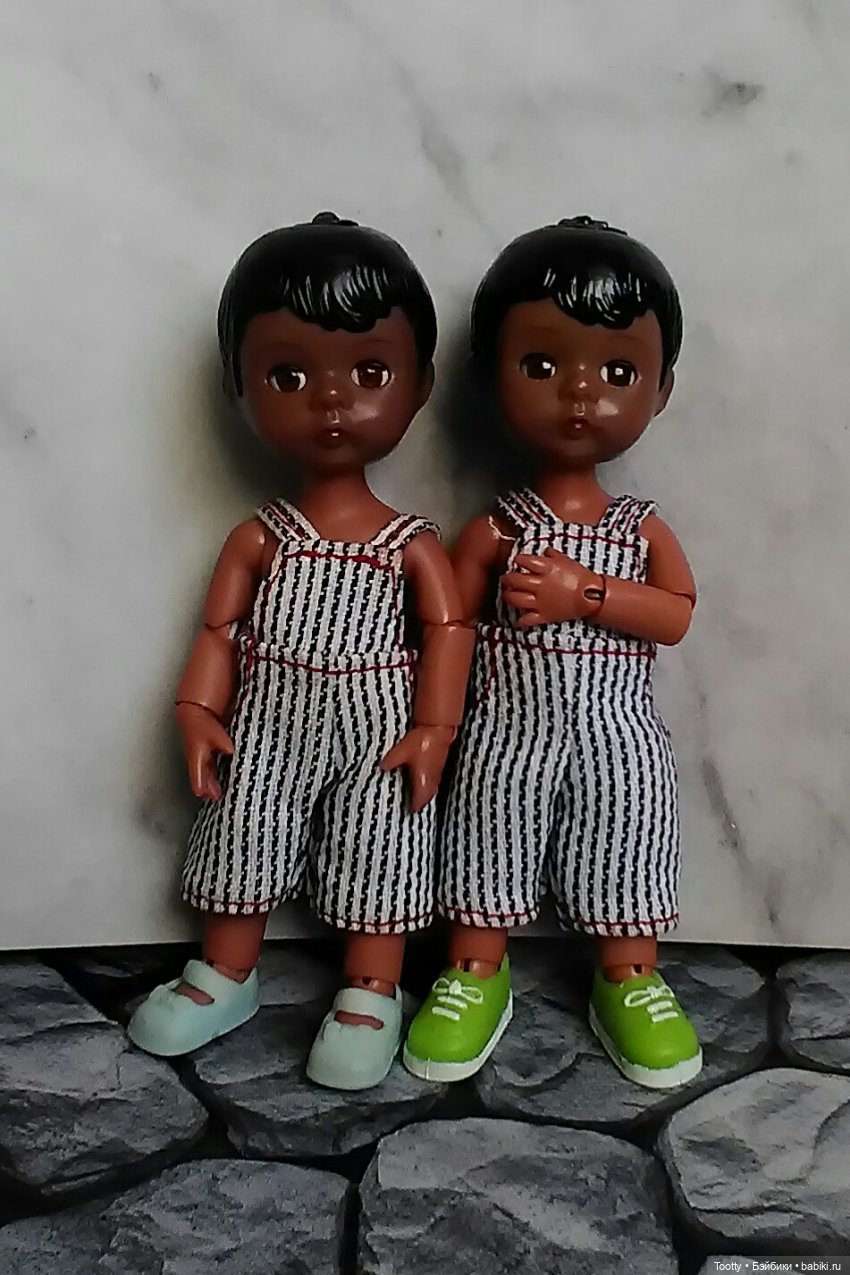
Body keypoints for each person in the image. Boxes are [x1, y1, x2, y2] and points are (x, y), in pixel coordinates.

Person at [128, 213, 472, 1090]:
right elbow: (218, 632)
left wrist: (436, 728)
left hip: (380, 732)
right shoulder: (261, 536)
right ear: (237, 388)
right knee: (241, 825)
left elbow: (448, 631)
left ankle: (372, 987)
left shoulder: (410, 543)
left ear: (421, 383)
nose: (332, 399)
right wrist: (197, 707)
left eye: (369, 372)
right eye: (288, 375)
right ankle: (226, 969)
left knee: (381, 841)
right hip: (266, 723)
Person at [404, 215, 702, 1090]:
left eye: (618, 372)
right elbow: (450, 628)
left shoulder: (638, 529)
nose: (580, 392)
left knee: (628, 829)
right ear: (490, 377)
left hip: (619, 730)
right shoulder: (495, 529)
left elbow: (676, 614)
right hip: (508, 728)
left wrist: (587, 593)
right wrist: (436, 726)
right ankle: (475, 964)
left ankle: (630, 973)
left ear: (662, 389)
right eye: (541, 364)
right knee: (487, 830)